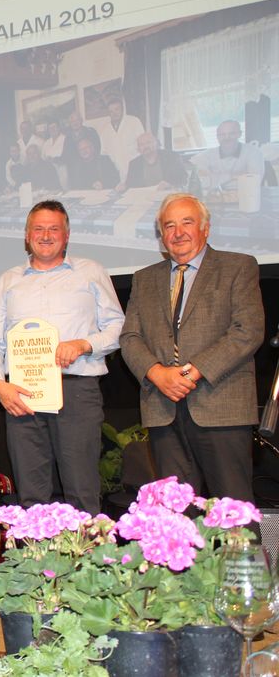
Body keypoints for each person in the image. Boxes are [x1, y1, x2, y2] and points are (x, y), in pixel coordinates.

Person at [0, 201, 124, 513]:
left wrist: (84, 344)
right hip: (22, 394)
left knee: (82, 491)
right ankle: (36, 548)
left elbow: (118, 328)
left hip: (77, 390)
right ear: (26, 235)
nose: (46, 235)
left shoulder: (91, 272)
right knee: (31, 496)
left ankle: (84, 547)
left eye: (54, 229)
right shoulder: (9, 280)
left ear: (66, 235)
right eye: (39, 229)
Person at [120, 194, 264, 500]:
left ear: (205, 228)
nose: (178, 232)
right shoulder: (144, 279)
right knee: (174, 515)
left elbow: (248, 331)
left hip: (221, 407)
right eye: (169, 225)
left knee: (232, 511)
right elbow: (130, 338)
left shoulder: (238, 266)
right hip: (163, 410)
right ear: (161, 235)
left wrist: (191, 373)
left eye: (187, 222)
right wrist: (157, 373)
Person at [191, 120, 266, 192]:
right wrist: (233, 176)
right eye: (222, 134)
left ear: (239, 134)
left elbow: (253, 183)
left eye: (232, 133)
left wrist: (214, 177)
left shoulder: (254, 153)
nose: (227, 138)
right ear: (217, 137)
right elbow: (199, 183)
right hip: (216, 198)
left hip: (247, 197)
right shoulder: (206, 155)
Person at [118, 133, 188, 192]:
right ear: (138, 149)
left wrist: (170, 184)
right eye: (141, 144)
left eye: (148, 142)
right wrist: (123, 187)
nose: (145, 146)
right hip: (143, 198)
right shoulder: (134, 164)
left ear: (156, 143)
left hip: (167, 195)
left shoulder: (171, 157)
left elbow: (183, 178)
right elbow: (130, 185)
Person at [96, 97, 143, 182]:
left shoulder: (134, 121)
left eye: (117, 109)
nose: (114, 113)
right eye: (111, 111)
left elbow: (143, 144)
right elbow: (104, 155)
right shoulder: (104, 131)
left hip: (136, 170)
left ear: (122, 109)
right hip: (116, 174)